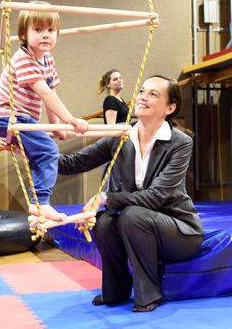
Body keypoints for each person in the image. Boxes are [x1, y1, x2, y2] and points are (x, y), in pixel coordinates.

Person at [59, 75, 204, 312]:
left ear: (170, 108)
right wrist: (32, 150)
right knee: (104, 221)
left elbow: (156, 197)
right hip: (138, 223)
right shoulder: (121, 137)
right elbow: (74, 163)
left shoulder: (180, 143)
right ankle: (115, 292)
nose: (143, 97)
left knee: (132, 215)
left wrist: (104, 197)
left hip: (179, 231)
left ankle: (150, 294)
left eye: (153, 94)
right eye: (142, 92)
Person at [0, 1, 89, 222]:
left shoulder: (47, 59)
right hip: (8, 115)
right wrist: (70, 119)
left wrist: (59, 127)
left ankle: (38, 204)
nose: (46, 35)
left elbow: (51, 90)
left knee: (41, 156)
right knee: (50, 152)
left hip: (23, 118)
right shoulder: (23, 58)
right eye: (38, 30)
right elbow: (45, 94)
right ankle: (41, 203)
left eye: (51, 30)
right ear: (23, 34)